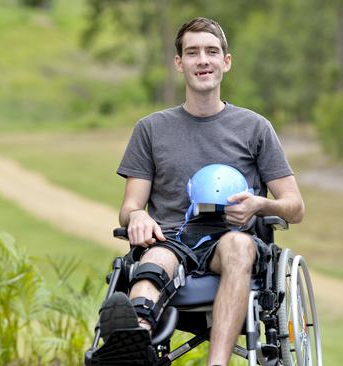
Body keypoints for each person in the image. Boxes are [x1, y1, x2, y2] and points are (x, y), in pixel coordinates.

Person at [102, 17, 304, 366]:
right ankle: (133, 341)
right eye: (192, 52)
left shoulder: (255, 127)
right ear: (179, 63)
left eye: (211, 52)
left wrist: (258, 205)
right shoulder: (151, 129)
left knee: (238, 245)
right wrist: (136, 217)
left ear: (226, 61)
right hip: (170, 241)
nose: (203, 60)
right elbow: (130, 207)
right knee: (153, 259)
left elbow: (295, 206)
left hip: (232, 241)